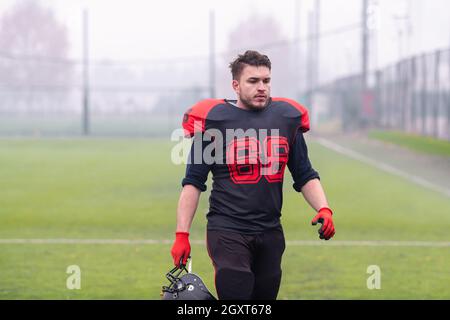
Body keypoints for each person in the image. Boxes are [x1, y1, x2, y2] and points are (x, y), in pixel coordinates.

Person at [170, 50, 335, 300]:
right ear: (235, 85)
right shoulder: (214, 121)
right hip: (227, 230)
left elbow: (304, 174)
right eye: (253, 81)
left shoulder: (286, 119)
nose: (262, 87)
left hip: (270, 230)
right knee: (238, 295)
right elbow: (193, 183)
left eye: (266, 81)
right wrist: (182, 234)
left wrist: (324, 208)